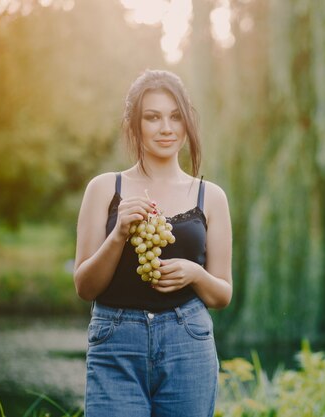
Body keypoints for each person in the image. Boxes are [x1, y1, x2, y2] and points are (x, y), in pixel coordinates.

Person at [73, 69, 232, 417]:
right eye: (153, 117)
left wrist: (195, 274)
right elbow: (85, 287)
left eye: (176, 117)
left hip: (187, 343)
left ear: (187, 123)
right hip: (115, 342)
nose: (166, 127)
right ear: (135, 124)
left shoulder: (211, 197)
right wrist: (118, 236)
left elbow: (222, 294)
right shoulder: (103, 189)